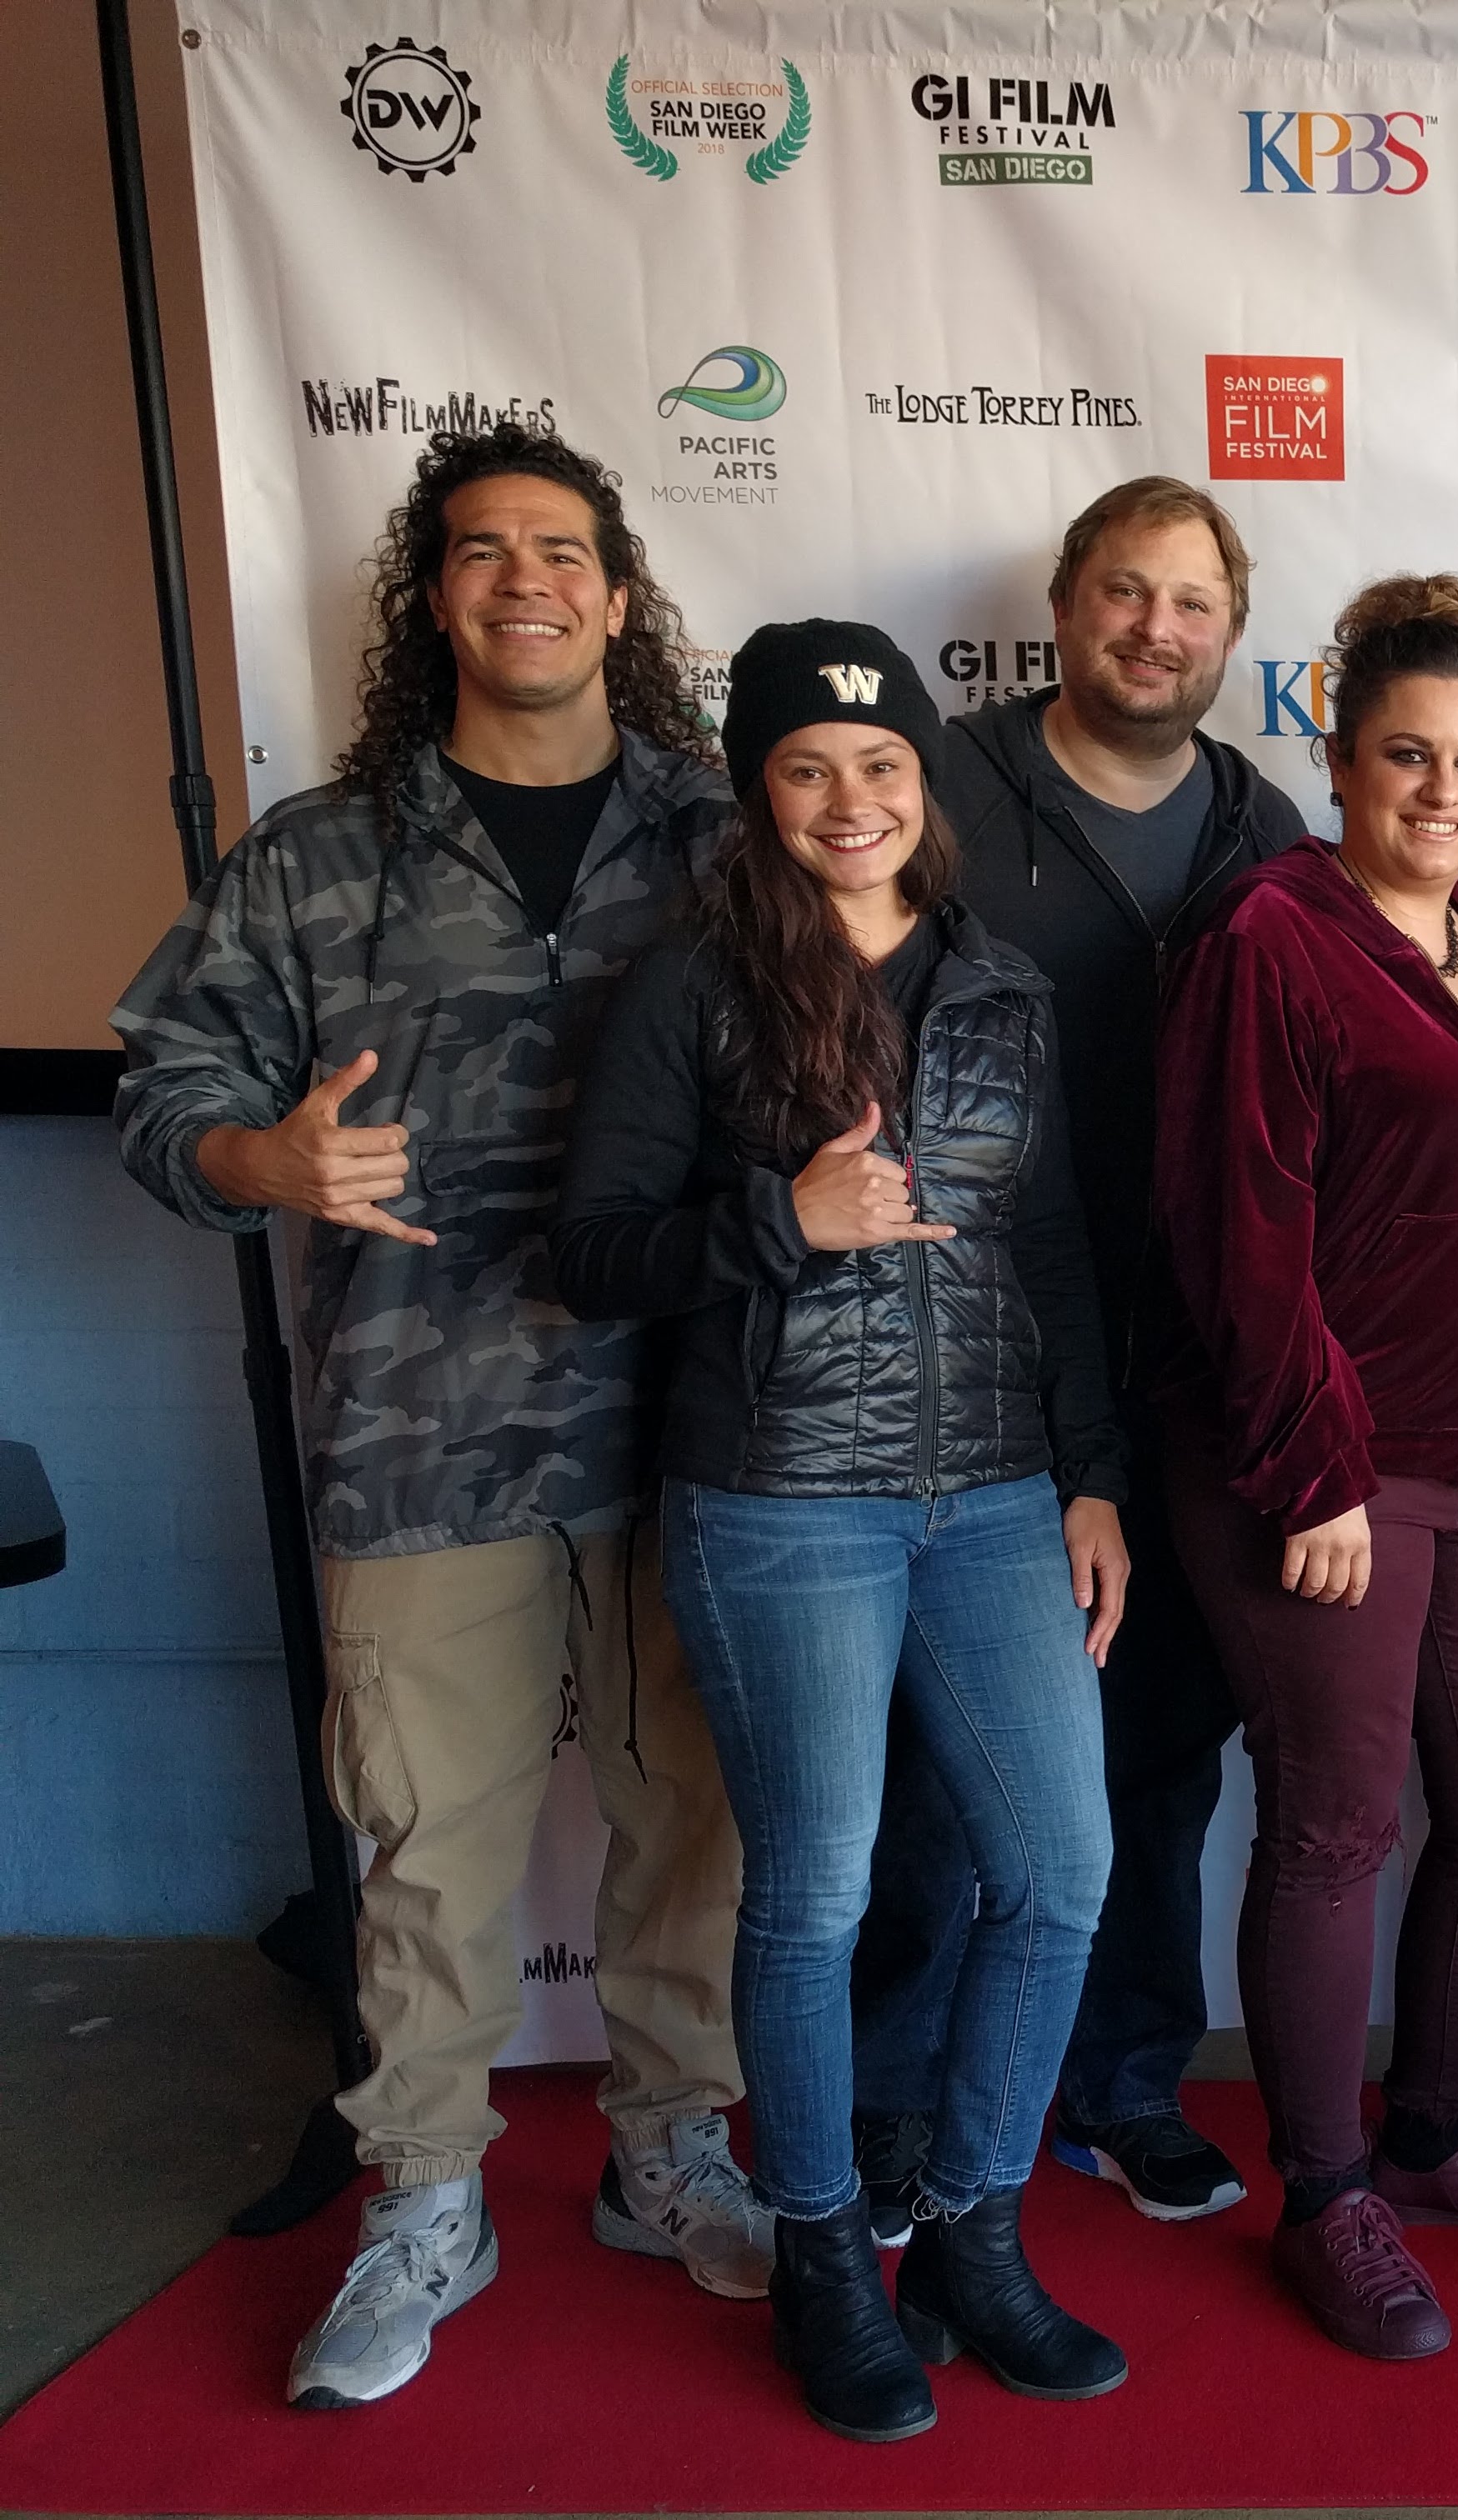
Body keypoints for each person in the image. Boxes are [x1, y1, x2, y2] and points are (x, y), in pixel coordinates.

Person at [111, 424, 758, 2410]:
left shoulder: (730, 839)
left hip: (699, 1422)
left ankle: (673, 2149)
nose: (526, 582)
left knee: (700, 1820)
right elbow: (162, 1097)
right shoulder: (320, 851)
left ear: (619, 597)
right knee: (422, 1843)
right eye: (482, 554)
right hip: (423, 1426)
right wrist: (261, 1162)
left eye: (562, 551)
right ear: (436, 598)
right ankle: (424, 2195)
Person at [551, 623, 1128, 2443]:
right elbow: (593, 1255)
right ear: (758, 790)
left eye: (882, 766)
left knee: (1058, 1872)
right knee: (810, 1896)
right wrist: (782, 1216)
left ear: (926, 789)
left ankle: (971, 2229)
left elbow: (1051, 1260)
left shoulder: (1005, 989)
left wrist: (1093, 1472)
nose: (851, 800)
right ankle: (822, 2256)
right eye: (808, 767)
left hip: (994, 1498)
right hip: (781, 1496)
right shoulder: (691, 989)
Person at [851, 478, 1312, 2238]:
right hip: (955, 1358)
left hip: (1190, 1365)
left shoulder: (1268, 833)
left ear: (1228, 633)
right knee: (934, 1766)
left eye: (1192, 603)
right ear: (1061, 604)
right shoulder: (945, 787)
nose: (1155, 629)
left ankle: (1126, 2085)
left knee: (1162, 1751)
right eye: (1125, 592)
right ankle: (900, 2103)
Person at [1153, 576, 1458, 2361]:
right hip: (1330, 1472)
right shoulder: (1273, 934)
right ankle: (1325, 2194)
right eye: (1406, 752)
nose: (1441, 785)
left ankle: (1428, 2134)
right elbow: (1238, 1236)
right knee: (1334, 1822)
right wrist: (1314, 1474)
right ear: (1337, 758)